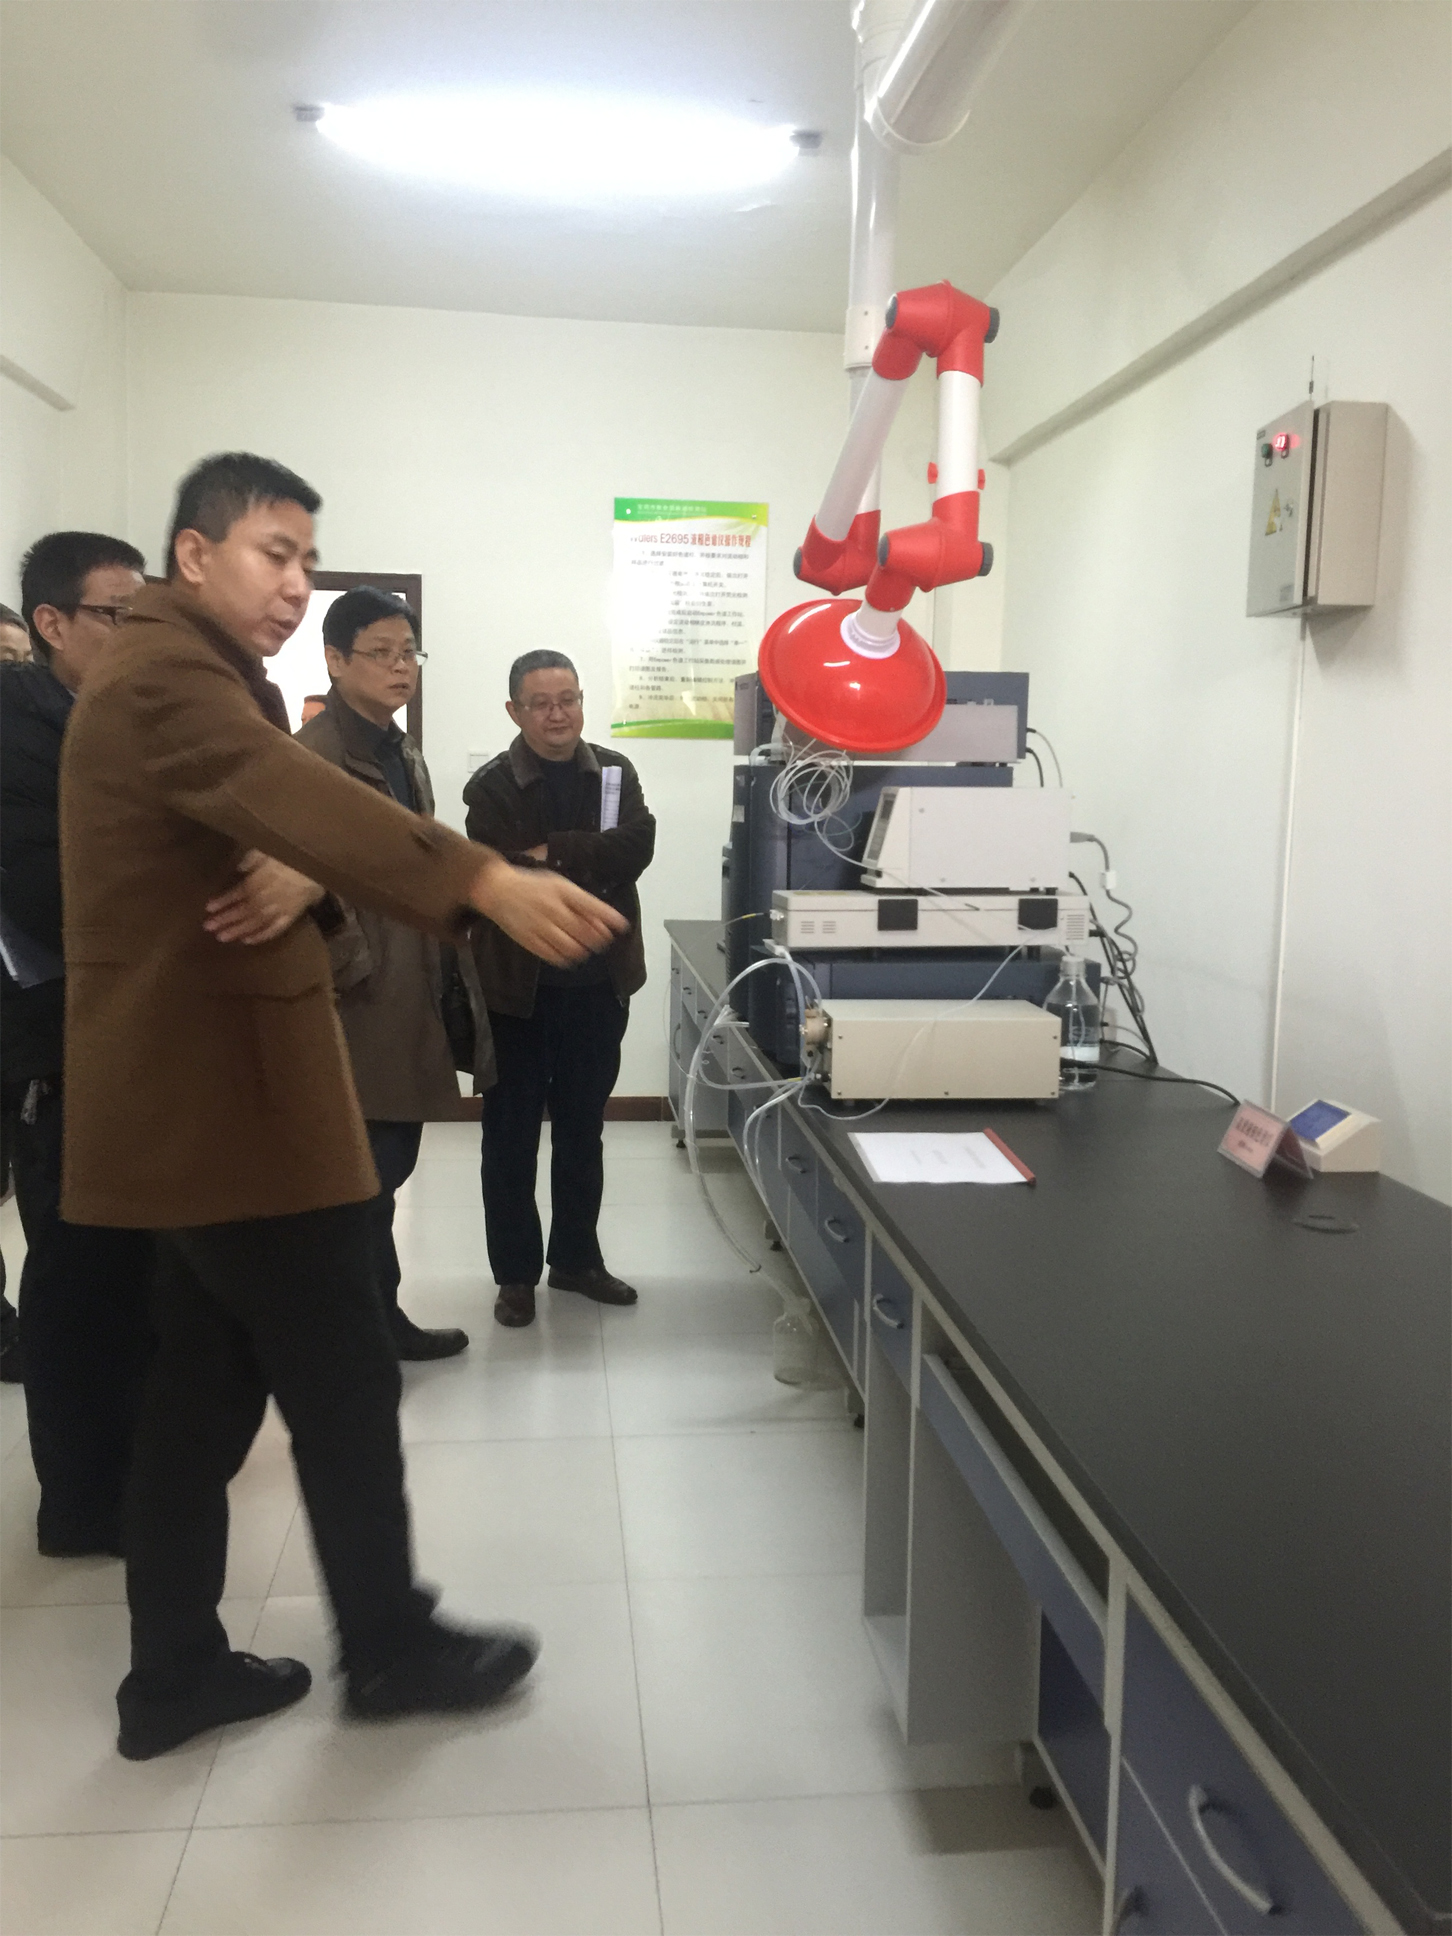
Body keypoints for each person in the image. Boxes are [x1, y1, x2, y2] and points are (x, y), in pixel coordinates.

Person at [59, 453, 626, 1760]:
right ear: (194, 555)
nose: (293, 582)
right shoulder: (165, 677)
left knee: (200, 1395)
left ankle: (173, 1675)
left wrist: (302, 873)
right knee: (344, 1377)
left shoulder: (197, 676)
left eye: (306, 561)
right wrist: (482, 878)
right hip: (234, 1106)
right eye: (275, 553)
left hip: (209, 1103)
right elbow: (294, 797)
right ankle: (389, 1646)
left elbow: (260, 828)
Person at [0, 533, 155, 1554]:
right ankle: (81, 1504)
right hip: (60, 1045)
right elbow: (55, 895)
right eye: (115, 615)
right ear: (51, 623)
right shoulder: (20, 733)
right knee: (75, 1273)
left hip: (128, 1036)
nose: (135, 636)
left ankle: (126, 1474)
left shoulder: (109, 717)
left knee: (129, 1270)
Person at [294, 586, 479, 1361]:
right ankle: (355, 1333)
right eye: (382, 653)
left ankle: (375, 1321)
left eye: (409, 653)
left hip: (411, 981)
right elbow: (302, 885)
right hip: (356, 996)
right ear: (335, 660)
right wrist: (355, 968)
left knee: (385, 1167)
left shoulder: (399, 750)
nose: (401, 667)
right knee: (363, 1176)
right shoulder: (314, 758)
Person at [464, 651, 655, 1329]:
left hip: (598, 985)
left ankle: (576, 1260)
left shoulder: (614, 772)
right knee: (510, 1137)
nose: (557, 714)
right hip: (518, 991)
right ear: (514, 711)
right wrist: (572, 858)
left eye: (568, 699)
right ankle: (515, 1276)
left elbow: (637, 845)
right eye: (541, 703)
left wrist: (555, 852)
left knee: (583, 1130)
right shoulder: (490, 786)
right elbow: (504, 868)